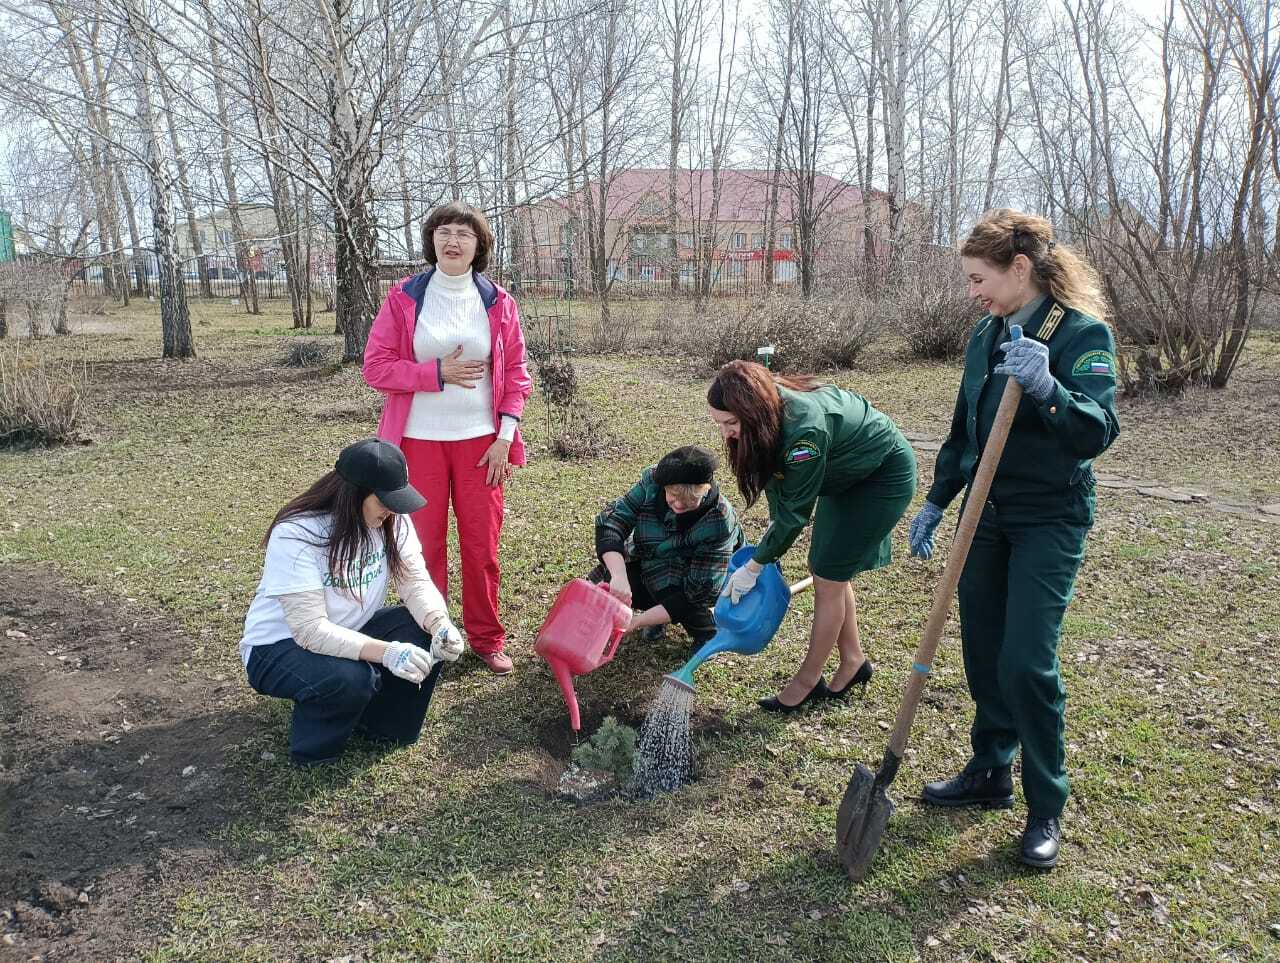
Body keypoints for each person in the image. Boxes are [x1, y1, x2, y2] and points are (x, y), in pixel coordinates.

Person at [908, 209, 1121, 870]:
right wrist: (940, 497)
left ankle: (1044, 802)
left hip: (1048, 515)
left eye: (980, 278)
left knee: (1026, 660)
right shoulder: (985, 334)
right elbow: (965, 426)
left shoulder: (1081, 335)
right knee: (982, 650)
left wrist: (1051, 389)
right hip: (985, 514)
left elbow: (1097, 430)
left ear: (1019, 268)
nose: (973, 290)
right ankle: (990, 768)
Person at [363, 201, 532, 675]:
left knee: (482, 548)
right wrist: (435, 372)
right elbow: (375, 368)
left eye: (463, 233)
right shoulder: (403, 298)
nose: (452, 240)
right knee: (422, 547)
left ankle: (485, 637)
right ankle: (431, 636)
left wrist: (505, 436)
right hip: (416, 442)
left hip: (483, 445)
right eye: (443, 231)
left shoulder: (498, 302)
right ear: (431, 240)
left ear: (479, 246)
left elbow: (517, 374)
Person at [240, 438, 466, 766]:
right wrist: (388, 653)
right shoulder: (298, 533)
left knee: (421, 631)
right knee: (350, 679)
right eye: (385, 500)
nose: (393, 509)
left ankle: (384, 727)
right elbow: (309, 631)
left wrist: (440, 623)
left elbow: (414, 582)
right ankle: (316, 752)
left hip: (347, 628)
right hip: (278, 647)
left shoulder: (391, 520)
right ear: (353, 493)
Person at [706, 361, 917, 712]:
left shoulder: (805, 433)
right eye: (719, 424)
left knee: (828, 578)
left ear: (751, 410)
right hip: (844, 473)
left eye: (731, 423)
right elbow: (779, 483)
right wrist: (770, 548)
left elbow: (795, 512)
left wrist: (756, 564)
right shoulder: (769, 410)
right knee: (827, 569)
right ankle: (853, 661)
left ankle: (807, 680)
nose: (726, 433)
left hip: (880, 476)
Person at [589, 446, 744, 647]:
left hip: (693, 573)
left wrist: (637, 622)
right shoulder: (652, 482)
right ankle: (657, 612)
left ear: (705, 491)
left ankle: (707, 632)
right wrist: (619, 576)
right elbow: (612, 522)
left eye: (690, 500)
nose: (679, 505)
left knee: (685, 600)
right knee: (614, 580)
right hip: (652, 556)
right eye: (673, 495)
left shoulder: (719, 520)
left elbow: (697, 593)